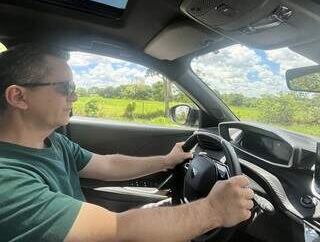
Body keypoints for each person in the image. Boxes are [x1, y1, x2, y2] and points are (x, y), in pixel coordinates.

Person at [0, 44, 254, 242]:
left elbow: (108, 165)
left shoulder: (53, 142)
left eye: (73, 86)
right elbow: (117, 229)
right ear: (18, 97)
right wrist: (213, 210)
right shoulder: (7, 181)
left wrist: (166, 161)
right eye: (64, 88)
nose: (74, 96)